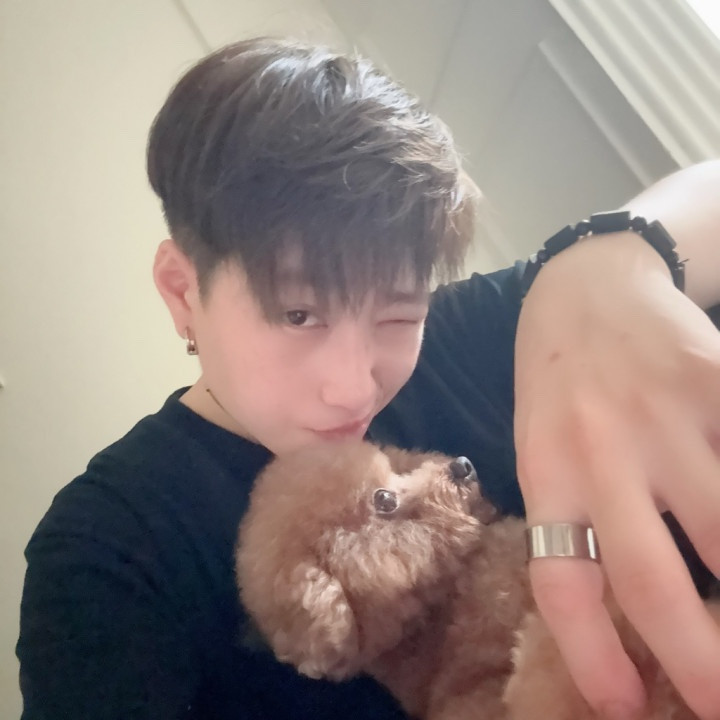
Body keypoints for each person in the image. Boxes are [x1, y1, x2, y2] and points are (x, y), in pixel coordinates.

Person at [16, 37, 720, 720]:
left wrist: (607, 260)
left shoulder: (462, 339)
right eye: (299, 315)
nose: (356, 390)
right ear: (181, 291)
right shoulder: (109, 552)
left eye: (397, 315)